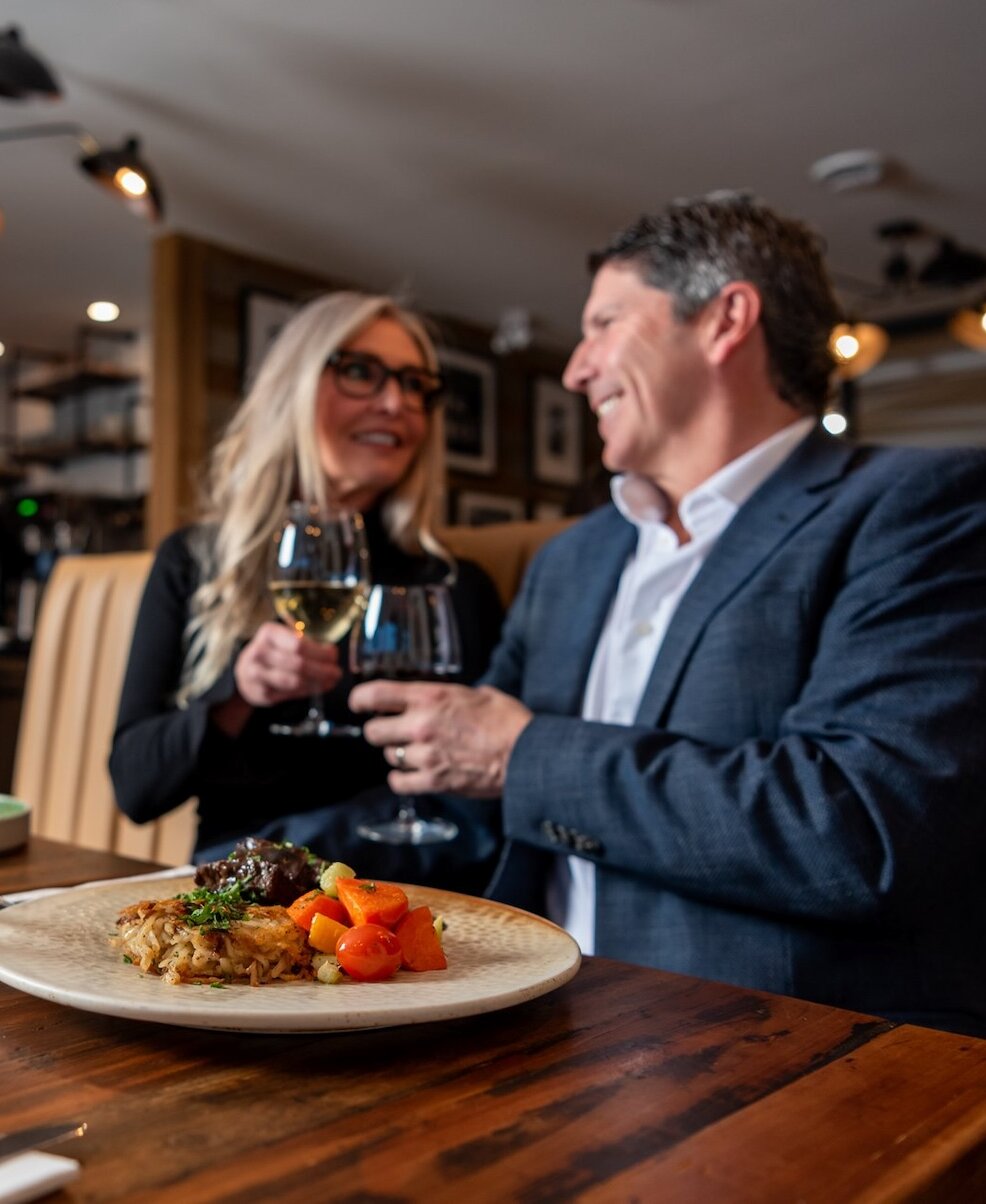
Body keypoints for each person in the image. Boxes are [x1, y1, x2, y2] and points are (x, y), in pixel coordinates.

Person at [351, 193, 986, 1036]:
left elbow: (860, 828)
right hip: (526, 1027)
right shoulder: (571, 558)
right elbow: (467, 790)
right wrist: (265, 867)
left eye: (604, 323)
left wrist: (524, 752)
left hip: (780, 1055)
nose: (576, 369)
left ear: (726, 319)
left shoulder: (919, 509)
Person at [110, 292, 504, 889]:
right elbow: (135, 788)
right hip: (236, 903)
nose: (396, 402)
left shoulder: (451, 586)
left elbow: (481, 797)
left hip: (394, 900)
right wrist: (238, 692)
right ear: (291, 388)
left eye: (415, 384)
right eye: (360, 372)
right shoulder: (197, 560)